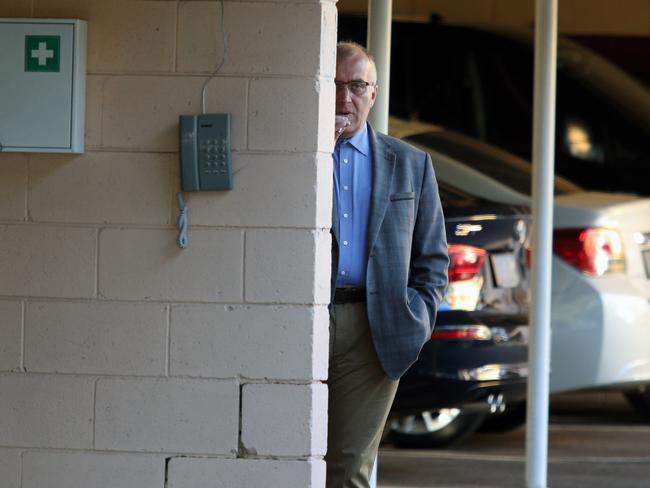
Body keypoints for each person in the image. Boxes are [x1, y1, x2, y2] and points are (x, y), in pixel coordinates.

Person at [326, 42, 449, 488]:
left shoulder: (410, 164)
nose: (345, 99)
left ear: (373, 94)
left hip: (373, 329)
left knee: (350, 466)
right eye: (334, 85)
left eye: (357, 85)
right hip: (303, 321)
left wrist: (416, 315)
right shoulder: (299, 160)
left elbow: (433, 259)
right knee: (287, 455)